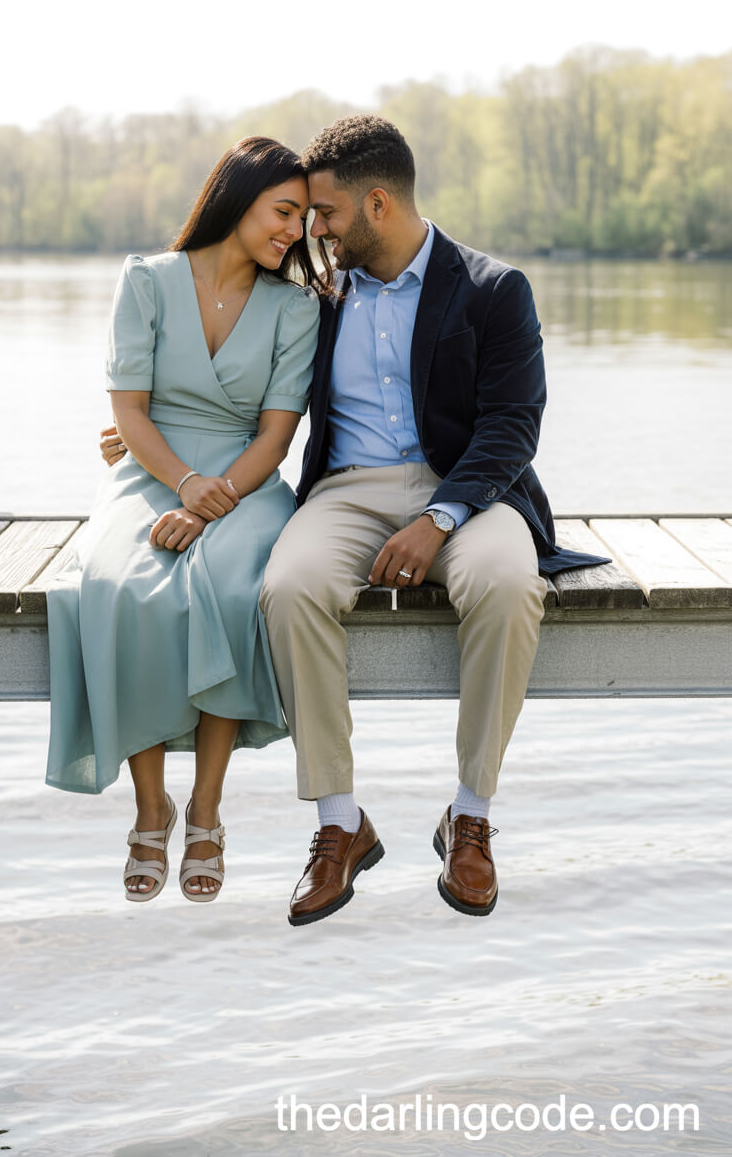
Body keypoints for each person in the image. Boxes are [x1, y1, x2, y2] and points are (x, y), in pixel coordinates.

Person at [255, 115, 610, 925]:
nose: (315, 231)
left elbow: (513, 425)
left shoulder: (493, 289)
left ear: (377, 204)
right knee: (289, 584)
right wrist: (146, 433)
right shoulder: (318, 289)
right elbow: (244, 367)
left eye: (327, 215)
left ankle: (471, 814)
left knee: (509, 580)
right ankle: (339, 824)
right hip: (345, 490)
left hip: (468, 489)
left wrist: (441, 518)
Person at [46, 136, 326, 905]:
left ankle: (205, 807)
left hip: (245, 480)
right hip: (152, 470)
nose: (294, 233)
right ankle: (150, 807)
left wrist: (215, 500)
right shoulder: (145, 281)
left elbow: (276, 436)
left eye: (303, 220)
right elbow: (128, 414)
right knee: (121, 583)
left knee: (230, 588)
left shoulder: (295, 307)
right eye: (283, 212)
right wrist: (182, 484)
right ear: (238, 198)